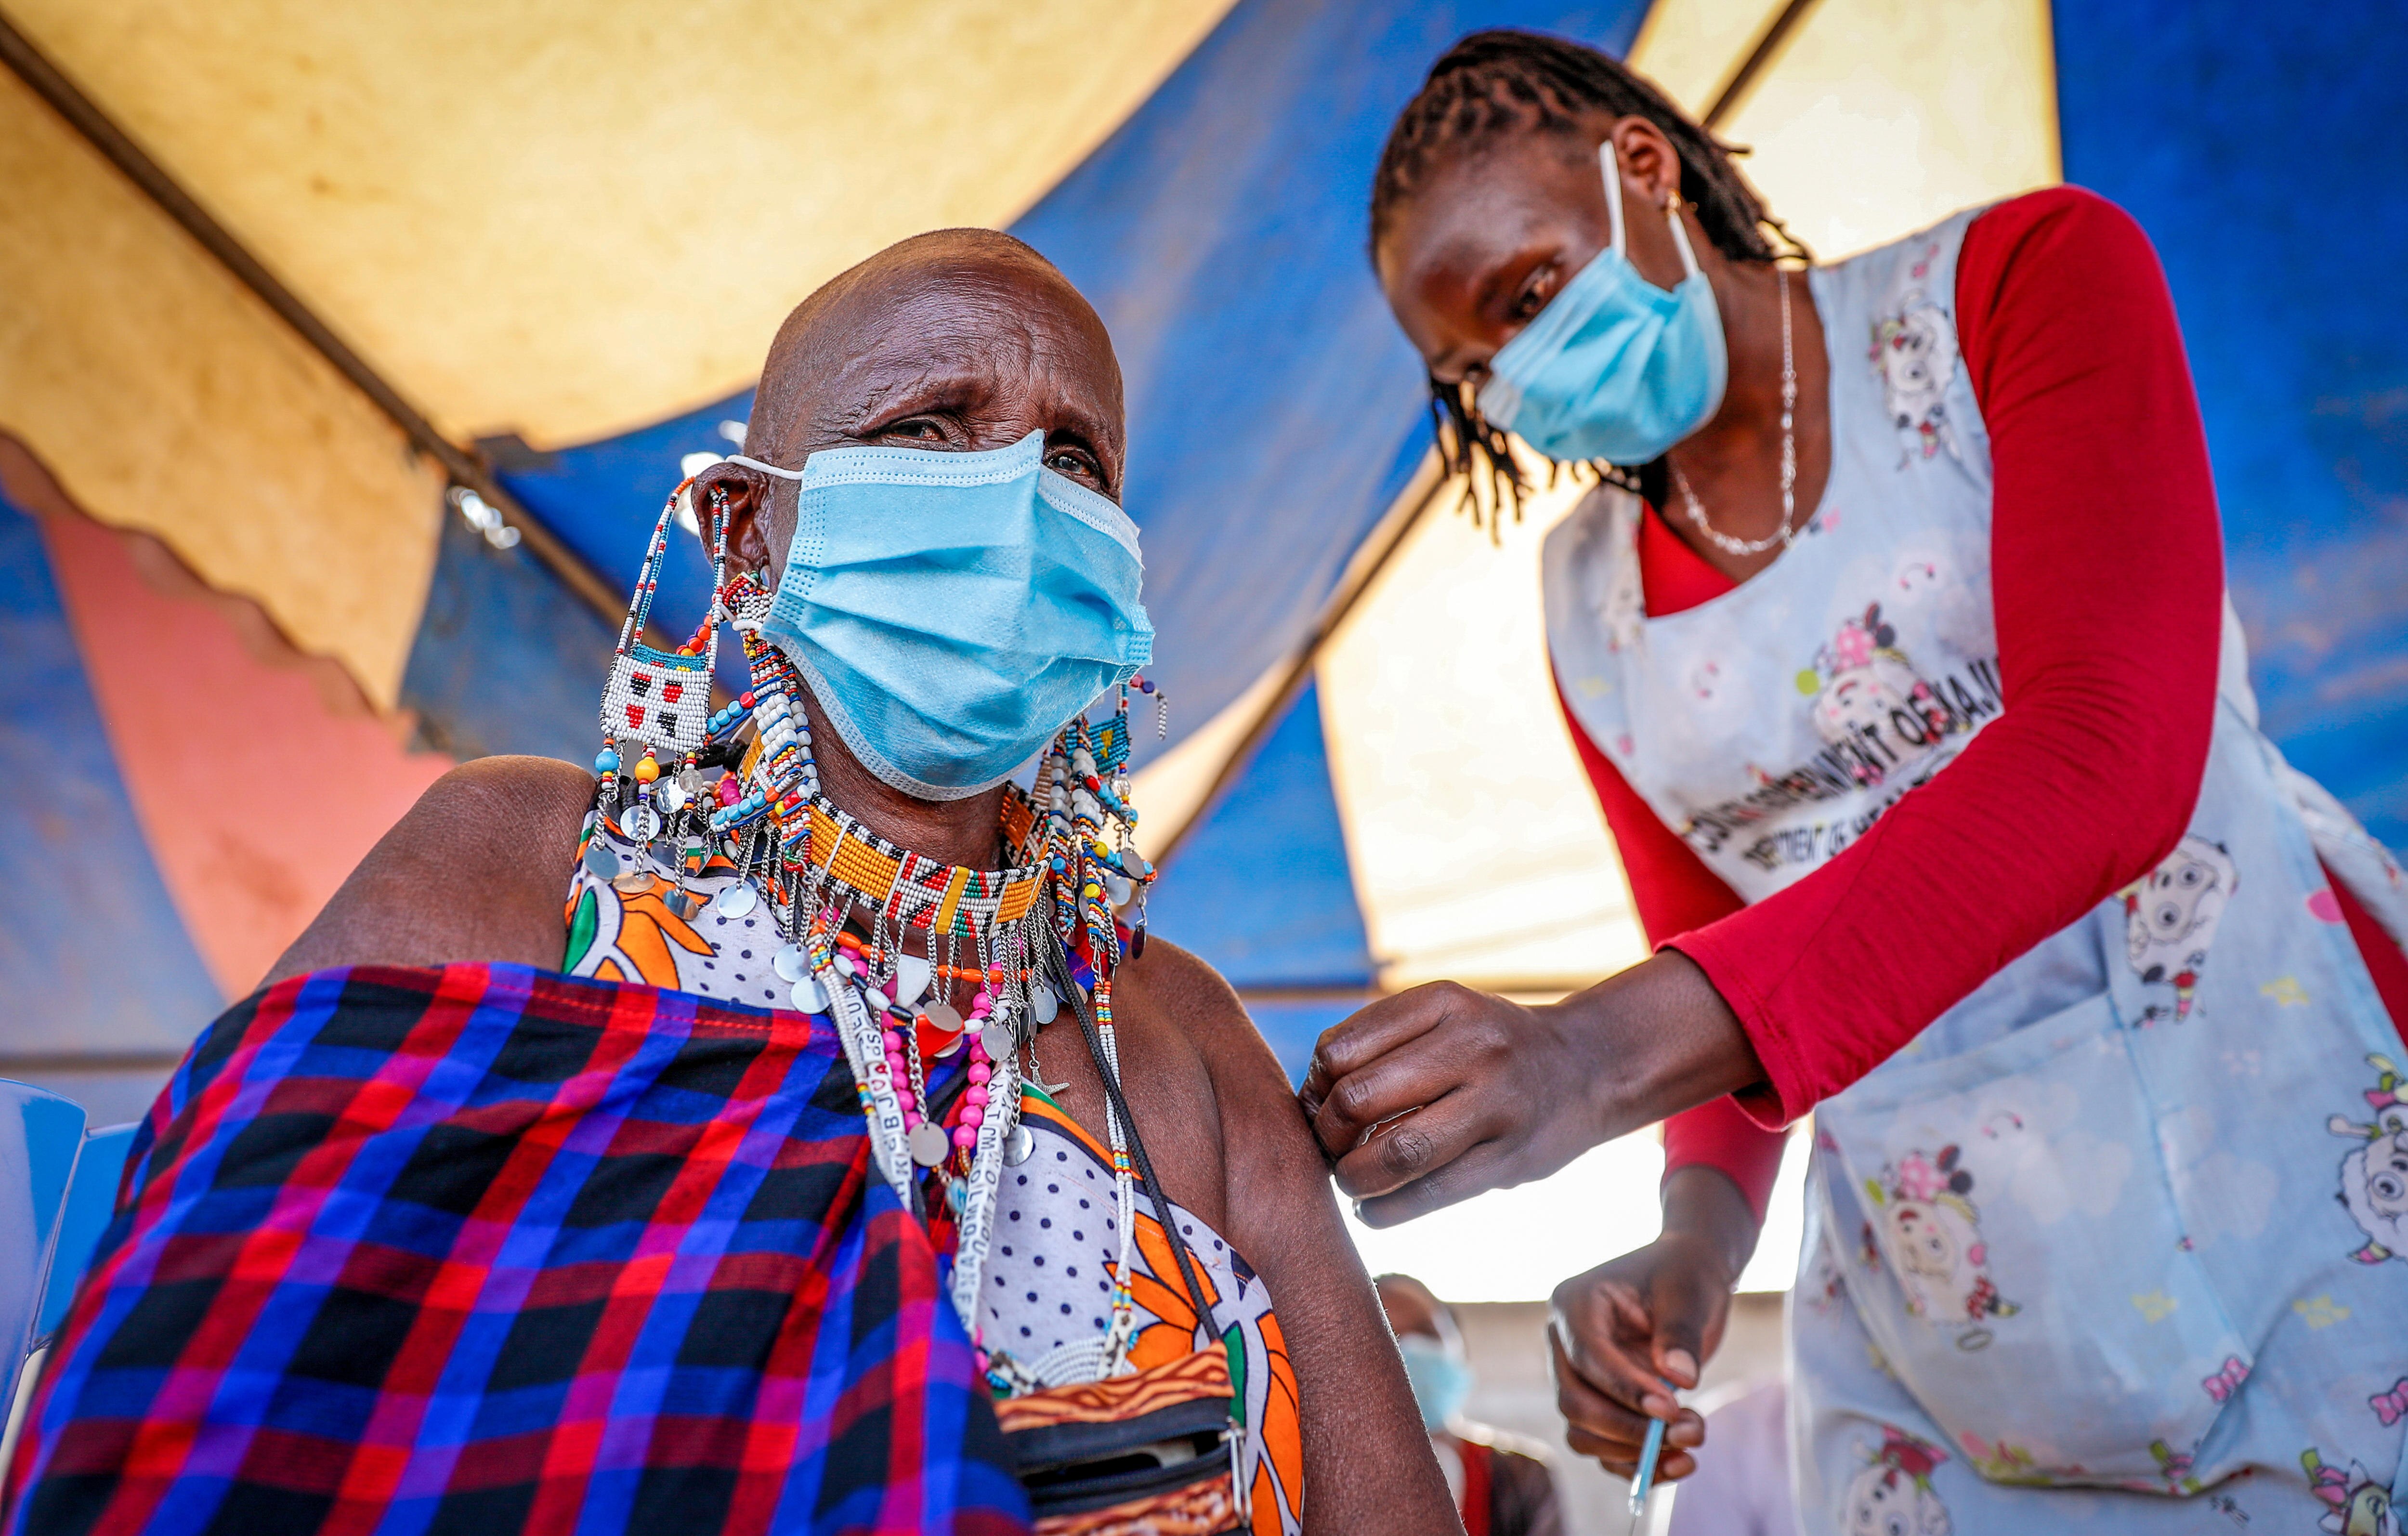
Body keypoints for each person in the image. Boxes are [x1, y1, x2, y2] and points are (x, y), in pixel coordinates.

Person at [4, 230, 1458, 1536]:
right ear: (747, 539)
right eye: (927, 429)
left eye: (1072, 461)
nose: (1012, 498)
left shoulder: (1179, 1037)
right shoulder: (532, 867)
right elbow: (218, 1338)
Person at [1302, 28, 2408, 1535]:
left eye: (1530, 295)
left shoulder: (2015, 289)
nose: (1513, 383)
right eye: (1470, 372)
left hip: (2270, 1121)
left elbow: (2106, 753)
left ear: (1641, 170)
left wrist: (1585, 1056)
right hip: (1945, 1287)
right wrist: (1684, 1262)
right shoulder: (1587, 609)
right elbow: (1716, 971)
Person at [1375, 1274, 1561, 1536]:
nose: (1410, 1350)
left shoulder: (1523, 1478)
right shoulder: (1319, 1480)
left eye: (1426, 1332)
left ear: (1459, 1345)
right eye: (1391, 1337)